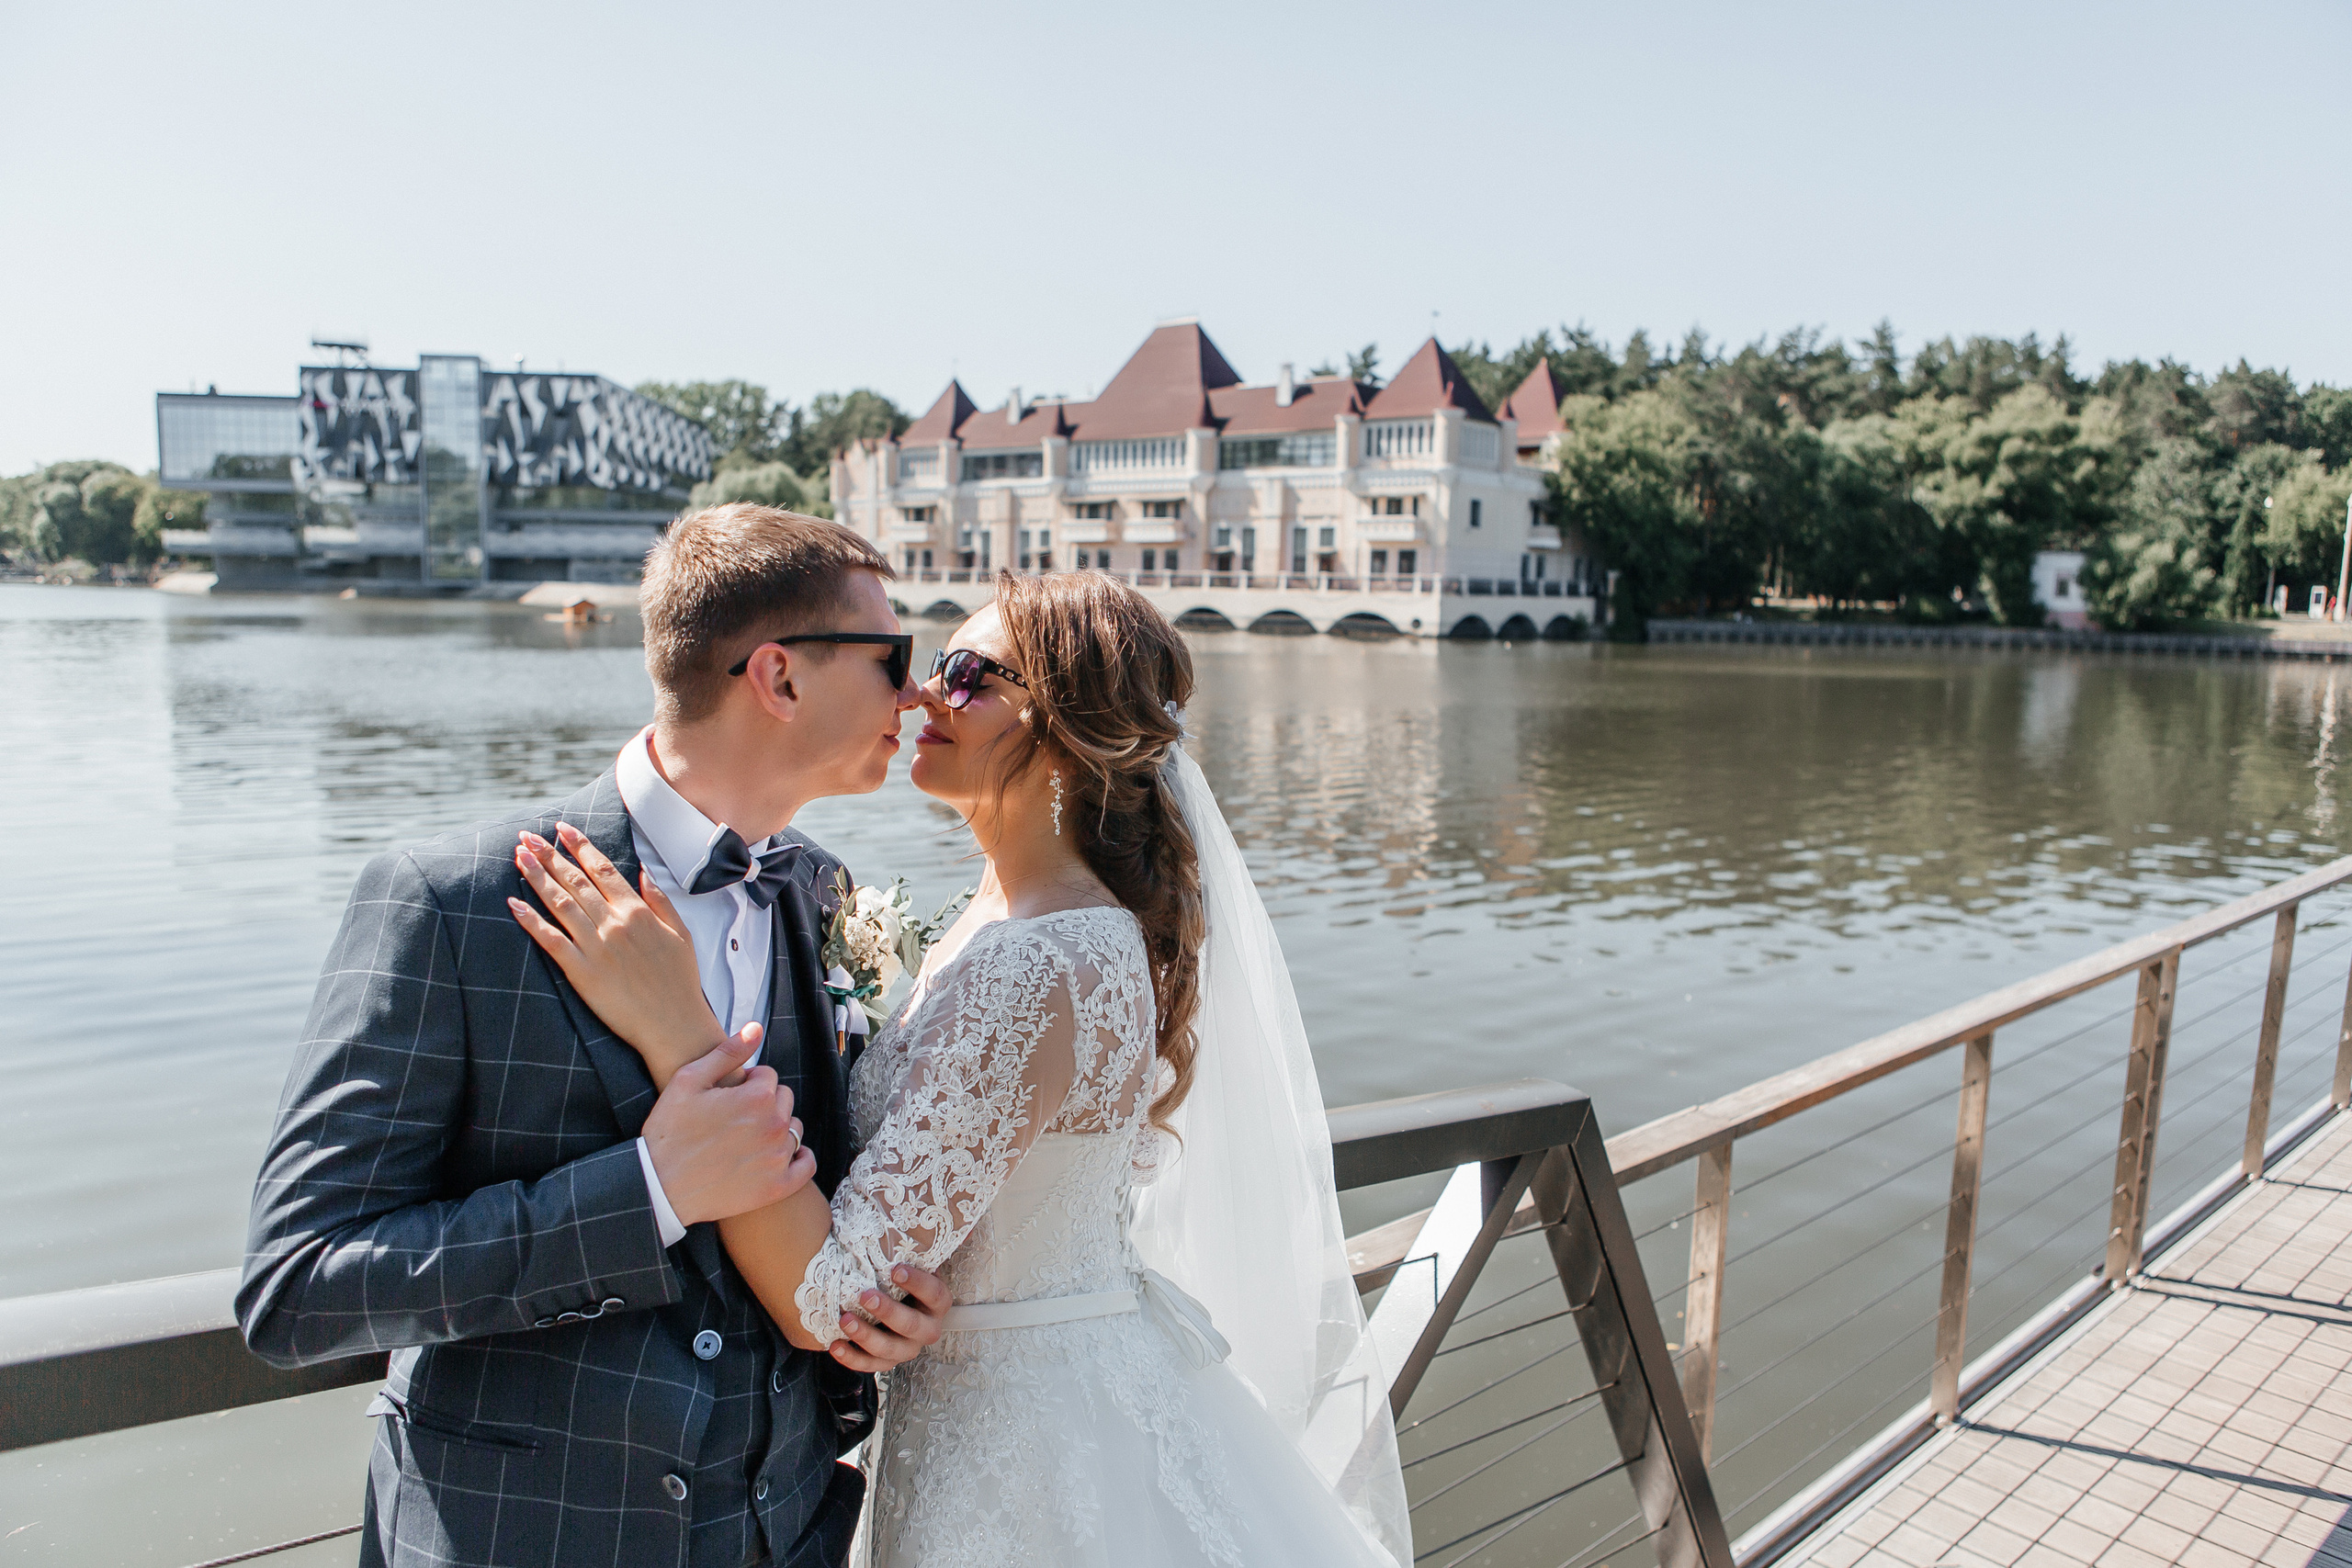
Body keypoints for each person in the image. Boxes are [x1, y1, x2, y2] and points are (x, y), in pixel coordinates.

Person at [510, 570, 1414, 1565]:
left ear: (1067, 730)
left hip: (1028, 1452)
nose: (925, 694)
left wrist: (675, 1021)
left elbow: (828, 1291)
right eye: (936, 664)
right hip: (1028, 1383)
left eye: (973, 674)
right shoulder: (1009, 922)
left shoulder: (1038, 962)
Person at [238, 504, 954, 1568]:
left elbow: (811, 1212)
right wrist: (650, 1190)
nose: (915, 691)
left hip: (787, 1537)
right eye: (893, 655)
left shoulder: (821, 894)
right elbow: (297, 1286)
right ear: (780, 677)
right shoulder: (455, 905)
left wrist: (872, 1320)